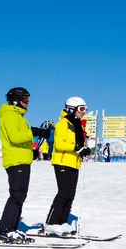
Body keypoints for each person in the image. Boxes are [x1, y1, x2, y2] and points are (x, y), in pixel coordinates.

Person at [0, 87, 50, 243]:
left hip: (21, 159)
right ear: (16, 101)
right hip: (16, 161)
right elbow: (15, 137)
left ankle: (11, 229)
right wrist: (35, 131)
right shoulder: (11, 115)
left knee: (20, 195)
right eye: (25, 100)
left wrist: (30, 150)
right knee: (17, 195)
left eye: (28, 99)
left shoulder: (17, 116)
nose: (28, 103)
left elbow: (20, 140)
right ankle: (5, 231)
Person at [43, 97, 92, 235]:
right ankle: (51, 223)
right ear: (72, 109)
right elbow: (59, 144)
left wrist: (84, 149)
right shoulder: (63, 123)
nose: (84, 112)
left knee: (70, 194)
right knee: (63, 193)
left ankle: (62, 222)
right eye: (81, 109)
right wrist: (76, 147)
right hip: (62, 161)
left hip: (74, 162)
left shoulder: (78, 125)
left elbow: (78, 144)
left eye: (85, 109)